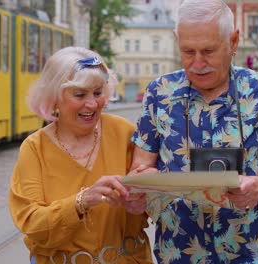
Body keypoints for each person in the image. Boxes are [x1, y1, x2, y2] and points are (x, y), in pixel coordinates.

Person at [130, 0, 258, 263]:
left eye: (209, 51)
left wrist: (256, 186)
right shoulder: (159, 93)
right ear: (177, 40)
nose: (198, 63)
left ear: (233, 42)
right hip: (179, 250)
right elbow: (139, 169)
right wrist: (144, 184)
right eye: (188, 51)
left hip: (251, 250)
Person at [8, 46, 153, 264]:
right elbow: (32, 224)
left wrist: (145, 201)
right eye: (80, 94)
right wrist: (81, 202)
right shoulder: (35, 148)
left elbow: (155, 202)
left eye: (98, 92)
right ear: (54, 96)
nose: (93, 104)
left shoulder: (125, 133)